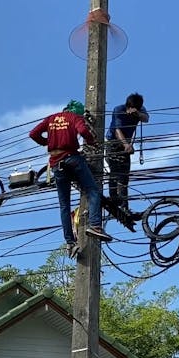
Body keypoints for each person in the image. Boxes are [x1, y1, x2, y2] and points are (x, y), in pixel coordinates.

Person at [29, 100, 112, 256]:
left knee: (64, 205)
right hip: (72, 158)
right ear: (76, 112)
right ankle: (95, 225)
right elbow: (84, 131)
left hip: (56, 163)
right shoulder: (74, 118)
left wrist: (48, 141)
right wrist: (92, 142)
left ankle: (70, 242)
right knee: (92, 190)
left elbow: (33, 134)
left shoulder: (51, 118)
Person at [106, 92, 149, 213]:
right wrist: (126, 145)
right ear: (127, 105)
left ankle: (124, 206)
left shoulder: (140, 109)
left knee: (124, 176)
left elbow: (146, 119)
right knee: (115, 172)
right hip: (113, 144)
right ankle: (114, 199)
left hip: (127, 146)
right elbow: (117, 131)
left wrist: (138, 114)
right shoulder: (118, 109)